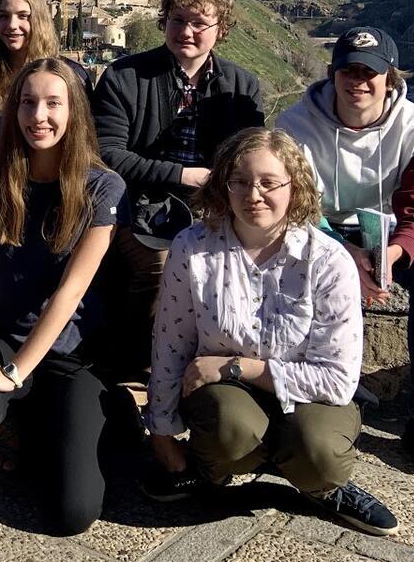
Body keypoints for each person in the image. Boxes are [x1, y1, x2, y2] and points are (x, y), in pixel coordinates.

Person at [144, 127, 400, 536]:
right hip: (228, 399)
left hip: (305, 395)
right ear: (223, 186)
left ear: (294, 187)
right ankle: (213, 468)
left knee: (320, 451)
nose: (253, 195)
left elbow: (337, 380)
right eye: (240, 182)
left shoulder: (328, 260)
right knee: (229, 427)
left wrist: (236, 367)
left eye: (269, 183)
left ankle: (322, 486)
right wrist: (162, 434)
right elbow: (170, 344)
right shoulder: (192, 248)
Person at [0, 58, 127, 535]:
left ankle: (77, 418)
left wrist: (14, 374)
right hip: (5, 338)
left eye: (53, 103)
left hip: (73, 355)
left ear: (75, 113)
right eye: (28, 103)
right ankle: (18, 422)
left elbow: (70, 293)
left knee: (73, 513)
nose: (38, 116)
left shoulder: (102, 188)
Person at [276, 26, 414, 475]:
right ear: (333, 74)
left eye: (369, 73)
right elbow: (295, 206)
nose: (357, 81)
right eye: (347, 70)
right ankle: (328, 390)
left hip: (386, 236)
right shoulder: (295, 126)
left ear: (389, 79)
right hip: (316, 230)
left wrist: (391, 255)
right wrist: (344, 257)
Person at [91, 0, 265, 377]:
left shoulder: (242, 86)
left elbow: (251, 154)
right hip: (141, 208)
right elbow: (109, 154)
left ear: (221, 29)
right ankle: (139, 369)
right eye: (177, 20)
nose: (186, 31)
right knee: (161, 264)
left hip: (214, 207)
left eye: (199, 23)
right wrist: (182, 175)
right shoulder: (125, 77)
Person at [0, 0, 90, 166]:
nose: (12, 25)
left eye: (23, 16)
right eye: (3, 16)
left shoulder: (70, 77)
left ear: (38, 20)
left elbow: (84, 142)